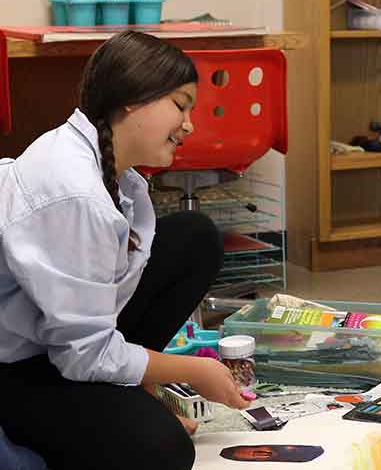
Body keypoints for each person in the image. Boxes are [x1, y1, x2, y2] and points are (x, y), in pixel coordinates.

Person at [0, 31, 250, 470]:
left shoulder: (114, 171)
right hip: (18, 368)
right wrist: (192, 371)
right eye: (180, 104)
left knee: (195, 236)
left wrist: (145, 381)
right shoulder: (75, 192)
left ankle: (122, 392)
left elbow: (102, 299)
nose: (189, 125)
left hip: (54, 340)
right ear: (133, 99)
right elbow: (82, 353)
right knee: (163, 451)